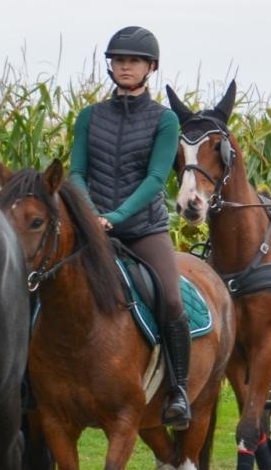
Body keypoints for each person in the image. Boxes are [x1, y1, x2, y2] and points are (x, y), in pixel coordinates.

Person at [67, 25, 191, 429]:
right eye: (118, 60)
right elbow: (77, 173)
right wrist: (90, 216)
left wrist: (115, 217)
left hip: (144, 229)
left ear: (150, 68)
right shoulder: (90, 117)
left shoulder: (165, 120)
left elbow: (156, 179)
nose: (124, 66)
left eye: (133, 61)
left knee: (171, 300)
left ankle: (178, 390)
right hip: (92, 226)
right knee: (45, 282)